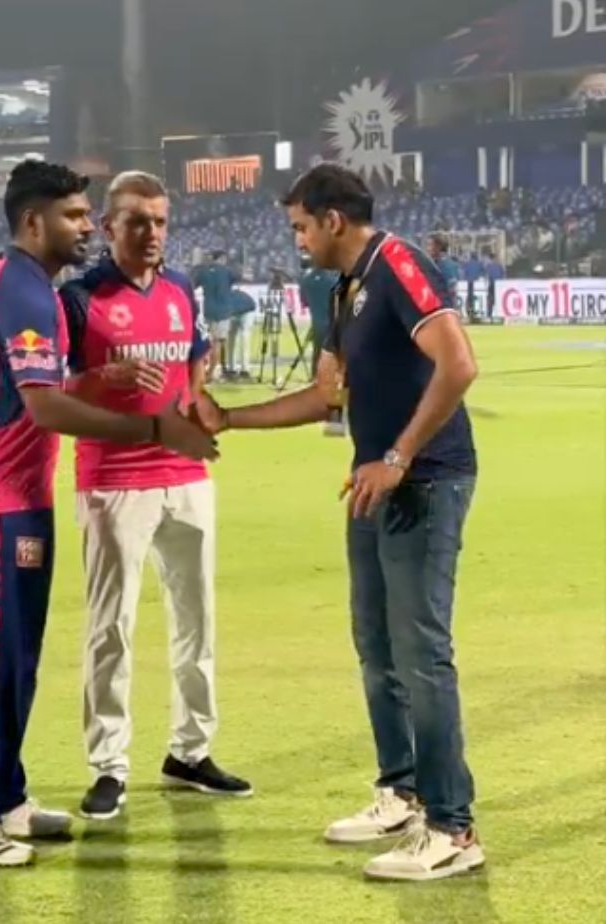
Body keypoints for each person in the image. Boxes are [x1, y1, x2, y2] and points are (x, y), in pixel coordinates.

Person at [192, 164, 484, 882]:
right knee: (377, 643)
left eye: (299, 226)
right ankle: (402, 791)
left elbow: (460, 363)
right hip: (374, 485)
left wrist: (396, 454)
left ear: (332, 220)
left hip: (425, 481)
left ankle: (454, 828)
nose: (295, 241)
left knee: (422, 654)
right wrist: (230, 418)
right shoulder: (348, 288)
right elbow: (326, 396)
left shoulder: (400, 265)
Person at [0, 160, 217, 867]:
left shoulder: (34, 287)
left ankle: (5, 797)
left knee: (17, 657)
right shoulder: (26, 292)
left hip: (19, 491)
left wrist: (99, 376)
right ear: (35, 222)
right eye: (76, 216)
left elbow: (49, 382)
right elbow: (42, 405)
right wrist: (156, 430)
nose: (87, 227)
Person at [58, 171, 251, 822]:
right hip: (113, 479)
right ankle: (109, 763)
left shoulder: (180, 289)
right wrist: (102, 375)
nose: (151, 233)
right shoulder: (80, 298)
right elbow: (50, 388)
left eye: (161, 221)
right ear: (108, 227)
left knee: (197, 618)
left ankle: (190, 750)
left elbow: (192, 359)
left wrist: (198, 391)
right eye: (137, 221)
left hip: (186, 474)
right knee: (112, 626)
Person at [193, 250, 236, 378]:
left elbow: (194, 284)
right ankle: (210, 373)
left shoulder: (203, 271)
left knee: (210, 341)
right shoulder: (227, 271)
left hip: (208, 310)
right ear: (222, 258)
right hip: (223, 311)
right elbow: (234, 281)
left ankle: (205, 369)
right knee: (217, 343)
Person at [298, 258, 339, 375]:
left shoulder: (306, 281)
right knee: (333, 354)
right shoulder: (333, 281)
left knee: (317, 353)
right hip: (332, 324)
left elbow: (304, 302)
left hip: (316, 323)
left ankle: (315, 377)